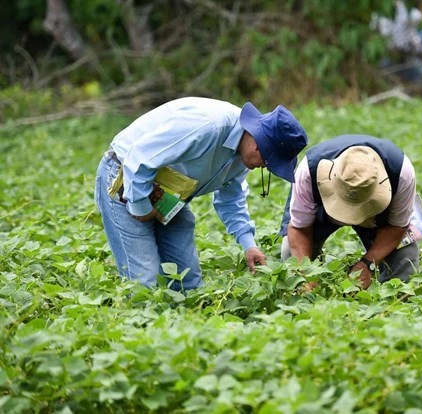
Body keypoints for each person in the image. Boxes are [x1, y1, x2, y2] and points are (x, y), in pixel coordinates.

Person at [94, 97, 308, 291]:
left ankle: (181, 331)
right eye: (269, 162)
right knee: (145, 282)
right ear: (258, 144)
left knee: (189, 283)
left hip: (168, 193)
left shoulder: (241, 158)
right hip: (125, 177)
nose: (265, 168)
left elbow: (231, 199)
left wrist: (248, 245)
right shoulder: (208, 126)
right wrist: (141, 207)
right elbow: (139, 158)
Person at [279, 134, 422, 290]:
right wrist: (307, 274)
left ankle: (398, 303)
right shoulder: (308, 170)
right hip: (320, 212)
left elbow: (398, 226)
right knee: (292, 261)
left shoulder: (402, 171)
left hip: (379, 218)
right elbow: (299, 228)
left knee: (404, 267)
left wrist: (368, 263)